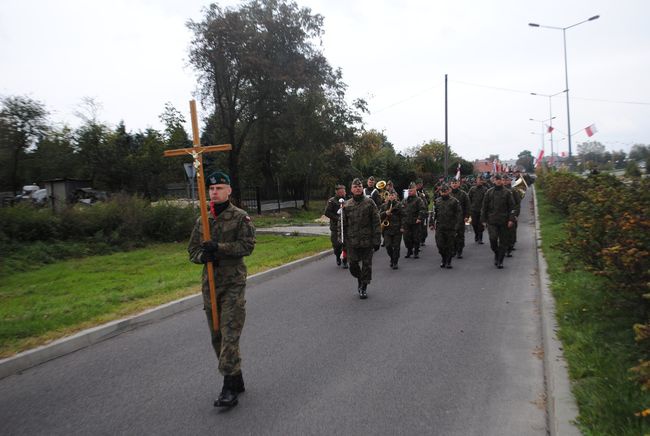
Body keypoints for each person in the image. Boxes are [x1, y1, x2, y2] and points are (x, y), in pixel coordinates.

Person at [188, 171, 256, 408]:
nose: (214, 192)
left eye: (219, 188)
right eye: (212, 189)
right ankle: (235, 377)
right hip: (210, 285)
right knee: (216, 336)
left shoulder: (240, 217)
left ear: (229, 191)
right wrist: (203, 256)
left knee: (229, 333)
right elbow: (192, 251)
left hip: (233, 283)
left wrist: (219, 248)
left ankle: (228, 388)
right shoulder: (203, 221)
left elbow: (247, 246)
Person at [343, 178, 381, 299]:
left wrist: (377, 240)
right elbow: (342, 224)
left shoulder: (369, 203)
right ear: (351, 189)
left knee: (366, 265)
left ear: (362, 188)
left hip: (367, 240)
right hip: (352, 241)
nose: (358, 188)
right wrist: (342, 240)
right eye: (355, 187)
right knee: (353, 265)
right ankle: (360, 278)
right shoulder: (347, 205)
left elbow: (376, 222)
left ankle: (363, 286)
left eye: (359, 187)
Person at [480, 174, 516, 269]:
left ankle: (500, 260)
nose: (498, 181)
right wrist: (483, 220)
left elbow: (512, 207)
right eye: (497, 180)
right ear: (493, 181)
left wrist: (511, 219)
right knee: (493, 239)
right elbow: (484, 207)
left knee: (503, 242)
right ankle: (496, 253)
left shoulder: (507, 192)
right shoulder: (489, 192)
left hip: (504, 221)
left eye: (500, 179)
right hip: (492, 221)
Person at [431, 183, 461, 268]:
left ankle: (448, 261)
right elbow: (434, 213)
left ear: (449, 191)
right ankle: (443, 258)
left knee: (450, 245)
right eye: (442, 191)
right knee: (440, 245)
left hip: (450, 227)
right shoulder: (437, 201)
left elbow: (459, 214)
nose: (444, 193)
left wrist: (457, 227)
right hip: (440, 227)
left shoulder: (454, 201)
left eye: (445, 191)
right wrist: (431, 223)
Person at [324, 184, 348, 268]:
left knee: (346, 245)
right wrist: (337, 218)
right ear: (337, 192)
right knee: (337, 245)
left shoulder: (348, 201)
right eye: (341, 192)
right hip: (335, 227)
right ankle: (338, 256)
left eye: (344, 191)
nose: (343, 193)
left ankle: (345, 261)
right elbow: (327, 212)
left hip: (345, 227)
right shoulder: (332, 201)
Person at [379, 189, 404, 269]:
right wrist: (385, 213)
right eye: (390, 195)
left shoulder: (400, 205)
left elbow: (403, 217)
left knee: (396, 247)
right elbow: (379, 216)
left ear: (396, 196)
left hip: (397, 229)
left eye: (393, 195)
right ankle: (392, 258)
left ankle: (395, 262)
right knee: (388, 246)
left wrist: (402, 227)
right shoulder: (384, 206)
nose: (391, 197)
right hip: (387, 229)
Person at [401, 181, 426, 259]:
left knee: (416, 238)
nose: (409, 192)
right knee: (406, 238)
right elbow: (401, 210)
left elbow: (422, 209)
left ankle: (416, 252)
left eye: (411, 190)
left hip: (415, 222)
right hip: (406, 222)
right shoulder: (405, 200)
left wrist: (419, 218)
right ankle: (409, 250)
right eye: (409, 191)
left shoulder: (418, 200)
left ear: (415, 190)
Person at [449, 179, 470, 258]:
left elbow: (467, 206)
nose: (454, 184)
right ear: (450, 184)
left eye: (456, 183)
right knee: (451, 234)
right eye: (453, 183)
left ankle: (459, 250)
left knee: (460, 235)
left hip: (460, 218)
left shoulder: (463, 194)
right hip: (450, 218)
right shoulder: (448, 193)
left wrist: (467, 216)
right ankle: (453, 248)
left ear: (459, 184)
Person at [468, 176, 489, 244]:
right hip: (473, 210)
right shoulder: (472, 189)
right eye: (478, 180)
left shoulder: (485, 189)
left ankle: (480, 238)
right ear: (476, 181)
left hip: (482, 210)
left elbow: (487, 200)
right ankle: (476, 234)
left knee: (480, 225)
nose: (479, 181)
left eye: (481, 180)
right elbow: (469, 199)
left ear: (482, 181)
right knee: (474, 224)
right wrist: (470, 207)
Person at [416, 178, 430, 246]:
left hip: (424, 212)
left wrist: (424, 197)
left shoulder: (424, 191)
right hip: (416, 212)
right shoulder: (413, 191)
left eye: (420, 184)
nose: (419, 185)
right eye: (418, 184)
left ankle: (423, 239)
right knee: (417, 228)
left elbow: (428, 202)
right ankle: (417, 241)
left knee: (423, 227)